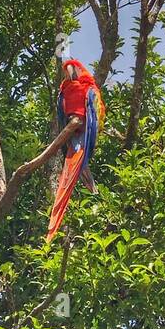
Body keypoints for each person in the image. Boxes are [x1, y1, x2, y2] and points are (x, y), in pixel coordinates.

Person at [46, 58, 105, 242]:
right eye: (67, 70)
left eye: (75, 68)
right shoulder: (64, 92)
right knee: (68, 172)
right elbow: (62, 116)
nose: (71, 72)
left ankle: (89, 181)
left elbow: (93, 124)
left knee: (76, 168)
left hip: (84, 133)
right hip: (72, 134)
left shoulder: (90, 91)